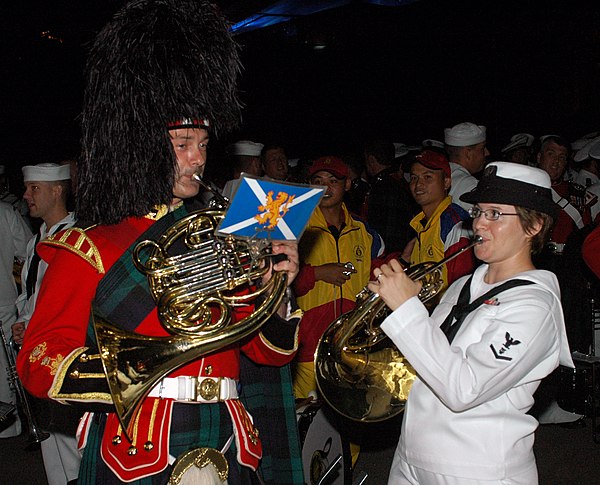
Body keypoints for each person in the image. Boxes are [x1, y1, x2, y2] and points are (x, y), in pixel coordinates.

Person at [16, 1, 303, 484]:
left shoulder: (227, 233)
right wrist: (132, 373)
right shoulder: (91, 244)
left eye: (204, 144)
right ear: (144, 146)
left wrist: (276, 291)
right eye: (183, 143)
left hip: (232, 439)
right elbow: (39, 361)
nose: (198, 158)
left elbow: (267, 356)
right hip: (139, 447)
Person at [370, 162, 572, 485]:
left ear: (533, 226)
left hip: (478, 470)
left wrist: (407, 310)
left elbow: (463, 388)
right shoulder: (461, 286)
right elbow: (428, 362)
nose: (478, 223)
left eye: (495, 214)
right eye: (478, 211)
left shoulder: (536, 308)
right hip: (410, 456)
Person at [293, 156, 383, 399]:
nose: (325, 187)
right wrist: (320, 273)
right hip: (308, 348)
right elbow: (281, 284)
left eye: (333, 180)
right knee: (309, 424)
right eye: (318, 181)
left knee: (351, 421)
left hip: (351, 346)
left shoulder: (363, 231)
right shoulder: (296, 227)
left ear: (348, 184)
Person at [12, 162, 77, 485]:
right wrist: (23, 320)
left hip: (62, 348)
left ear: (57, 190)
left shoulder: (75, 238)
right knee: (52, 447)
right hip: (38, 346)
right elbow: (31, 292)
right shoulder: (37, 239)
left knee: (71, 441)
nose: (26, 195)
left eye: (34, 188)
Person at [405, 150, 475, 298]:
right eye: (413, 178)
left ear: (446, 182)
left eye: (428, 177)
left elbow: (460, 288)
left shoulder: (455, 225)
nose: (418, 184)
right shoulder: (421, 224)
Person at [0, 201, 32, 438]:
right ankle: (10, 426)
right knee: (4, 366)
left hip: (4, 300)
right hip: (3, 297)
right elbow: (27, 250)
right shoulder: (5, 211)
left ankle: (11, 425)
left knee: (6, 366)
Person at [363, 139, 418, 253]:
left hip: (387, 255)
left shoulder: (383, 187)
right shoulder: (399, 182)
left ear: (371, 160)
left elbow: (386, 231)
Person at [444, 121, 490, 211]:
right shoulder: (470, 186)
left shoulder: (439, 176)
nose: (487, 153)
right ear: (468, 153)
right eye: (482, 148)